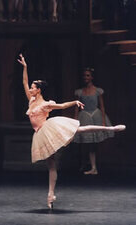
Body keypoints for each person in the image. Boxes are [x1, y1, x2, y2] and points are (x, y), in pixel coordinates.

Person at [17, 54, 125, 209]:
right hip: (40, 134)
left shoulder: (46, 104)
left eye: (33, 88)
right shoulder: (31, 100)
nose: (30, 89)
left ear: (38, 90)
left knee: (79, 130)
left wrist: (74, 102)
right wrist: (25, 67)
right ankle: (50, 195)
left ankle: (110, 128)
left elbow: (61, 106)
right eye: (31, 88)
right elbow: (24, 81)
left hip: (49, 129)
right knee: (51, 165)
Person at [74, 68, 116, 175]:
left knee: (92, 143)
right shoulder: (80, 92)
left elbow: (102, 106)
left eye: (88, 75)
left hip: (95, 115)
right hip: (84, 116)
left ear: (92, 77)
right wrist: (74, 121)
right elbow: (77, 108)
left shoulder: (98, 91)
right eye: (84, 76)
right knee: (85, 142)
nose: (85, 78)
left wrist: (103, 121)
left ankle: (94, 167)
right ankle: (85, 164)